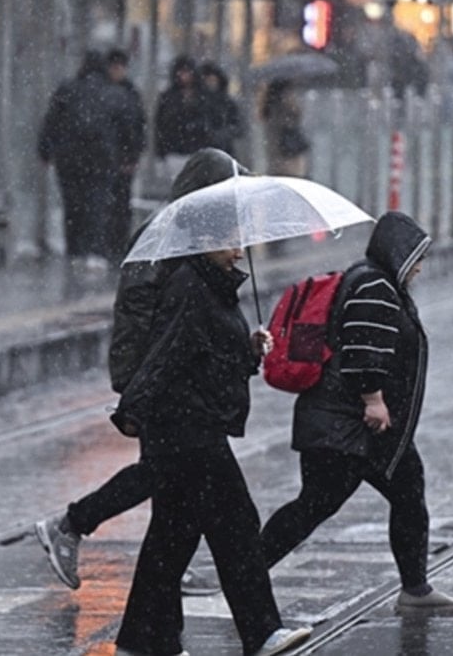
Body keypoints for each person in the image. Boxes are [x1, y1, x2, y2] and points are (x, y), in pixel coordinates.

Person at [34, 148, 251, 596]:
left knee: (172, 477)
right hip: (160, 380)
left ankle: (160, 565)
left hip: (172, 378)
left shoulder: (191, 235)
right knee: (166, 473)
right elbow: (140, 313)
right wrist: (137, 381)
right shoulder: (167, 236)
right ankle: (72, 524)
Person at [108, 199, 310, 656]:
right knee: (236, 526)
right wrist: (132, 408)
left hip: (187, 426)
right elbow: (167, 353)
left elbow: (208, 355)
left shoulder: (212, 285)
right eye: (230, 242)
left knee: (172, 537)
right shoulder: (191, 287)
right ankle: (261, 631)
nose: (239, 251)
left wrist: (248, 349)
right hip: (187, 428)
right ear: (204, 242)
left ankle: (139, 641)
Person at [258, 211, 453, 613]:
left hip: (350, 424)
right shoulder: (375, 287)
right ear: (399, 253)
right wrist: (373, 399)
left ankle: (416, 588)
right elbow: (363, 349)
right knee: (321, 504)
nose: (420, 267)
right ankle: (246, 572)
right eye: (417, 257)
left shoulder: (371, 280)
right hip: (350, 424)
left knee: (394, 493)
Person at [37, 50, 129, 270]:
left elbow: (51, 122)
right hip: (102, 158)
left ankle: (75, 250)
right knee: (97, 204)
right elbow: (127, 127)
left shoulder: (67, 89)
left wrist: (45, 151)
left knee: (73, 205)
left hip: (69, 159)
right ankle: (95, 251)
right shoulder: (114, 93)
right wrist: (127, 155)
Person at [105, 48, 148, 263]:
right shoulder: (124, 93)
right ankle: (112, 244)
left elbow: (138, 127)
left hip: (121, 158)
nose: (117, 71)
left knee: (121, 203)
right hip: (109, 158)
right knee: (112, 203)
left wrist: (132, 156)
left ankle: (118, 243)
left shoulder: (129, 93)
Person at [154, 56, 213, 185]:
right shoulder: (168, 97)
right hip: (175, 150)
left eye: (187, 72)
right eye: (181, 72)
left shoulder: (204, 96)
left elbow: (210, 121)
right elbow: (160, 126)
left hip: (197, 149)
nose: (184, 76)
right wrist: (161, 152)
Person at [260, 78, 309, 180]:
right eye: (290, 92)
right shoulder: (280, 112)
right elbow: (287, 127)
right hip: (285, 162)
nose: (293, 96)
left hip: (282, 163)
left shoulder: (272, 110)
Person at [198, 61, 245, 157]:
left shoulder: (227, 102)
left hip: (224, 151)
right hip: (201, 151)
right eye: (207, 80)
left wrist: (222, 134)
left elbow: (239, 127)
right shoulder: (198, 102)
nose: (210, 83)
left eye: (213, 80)